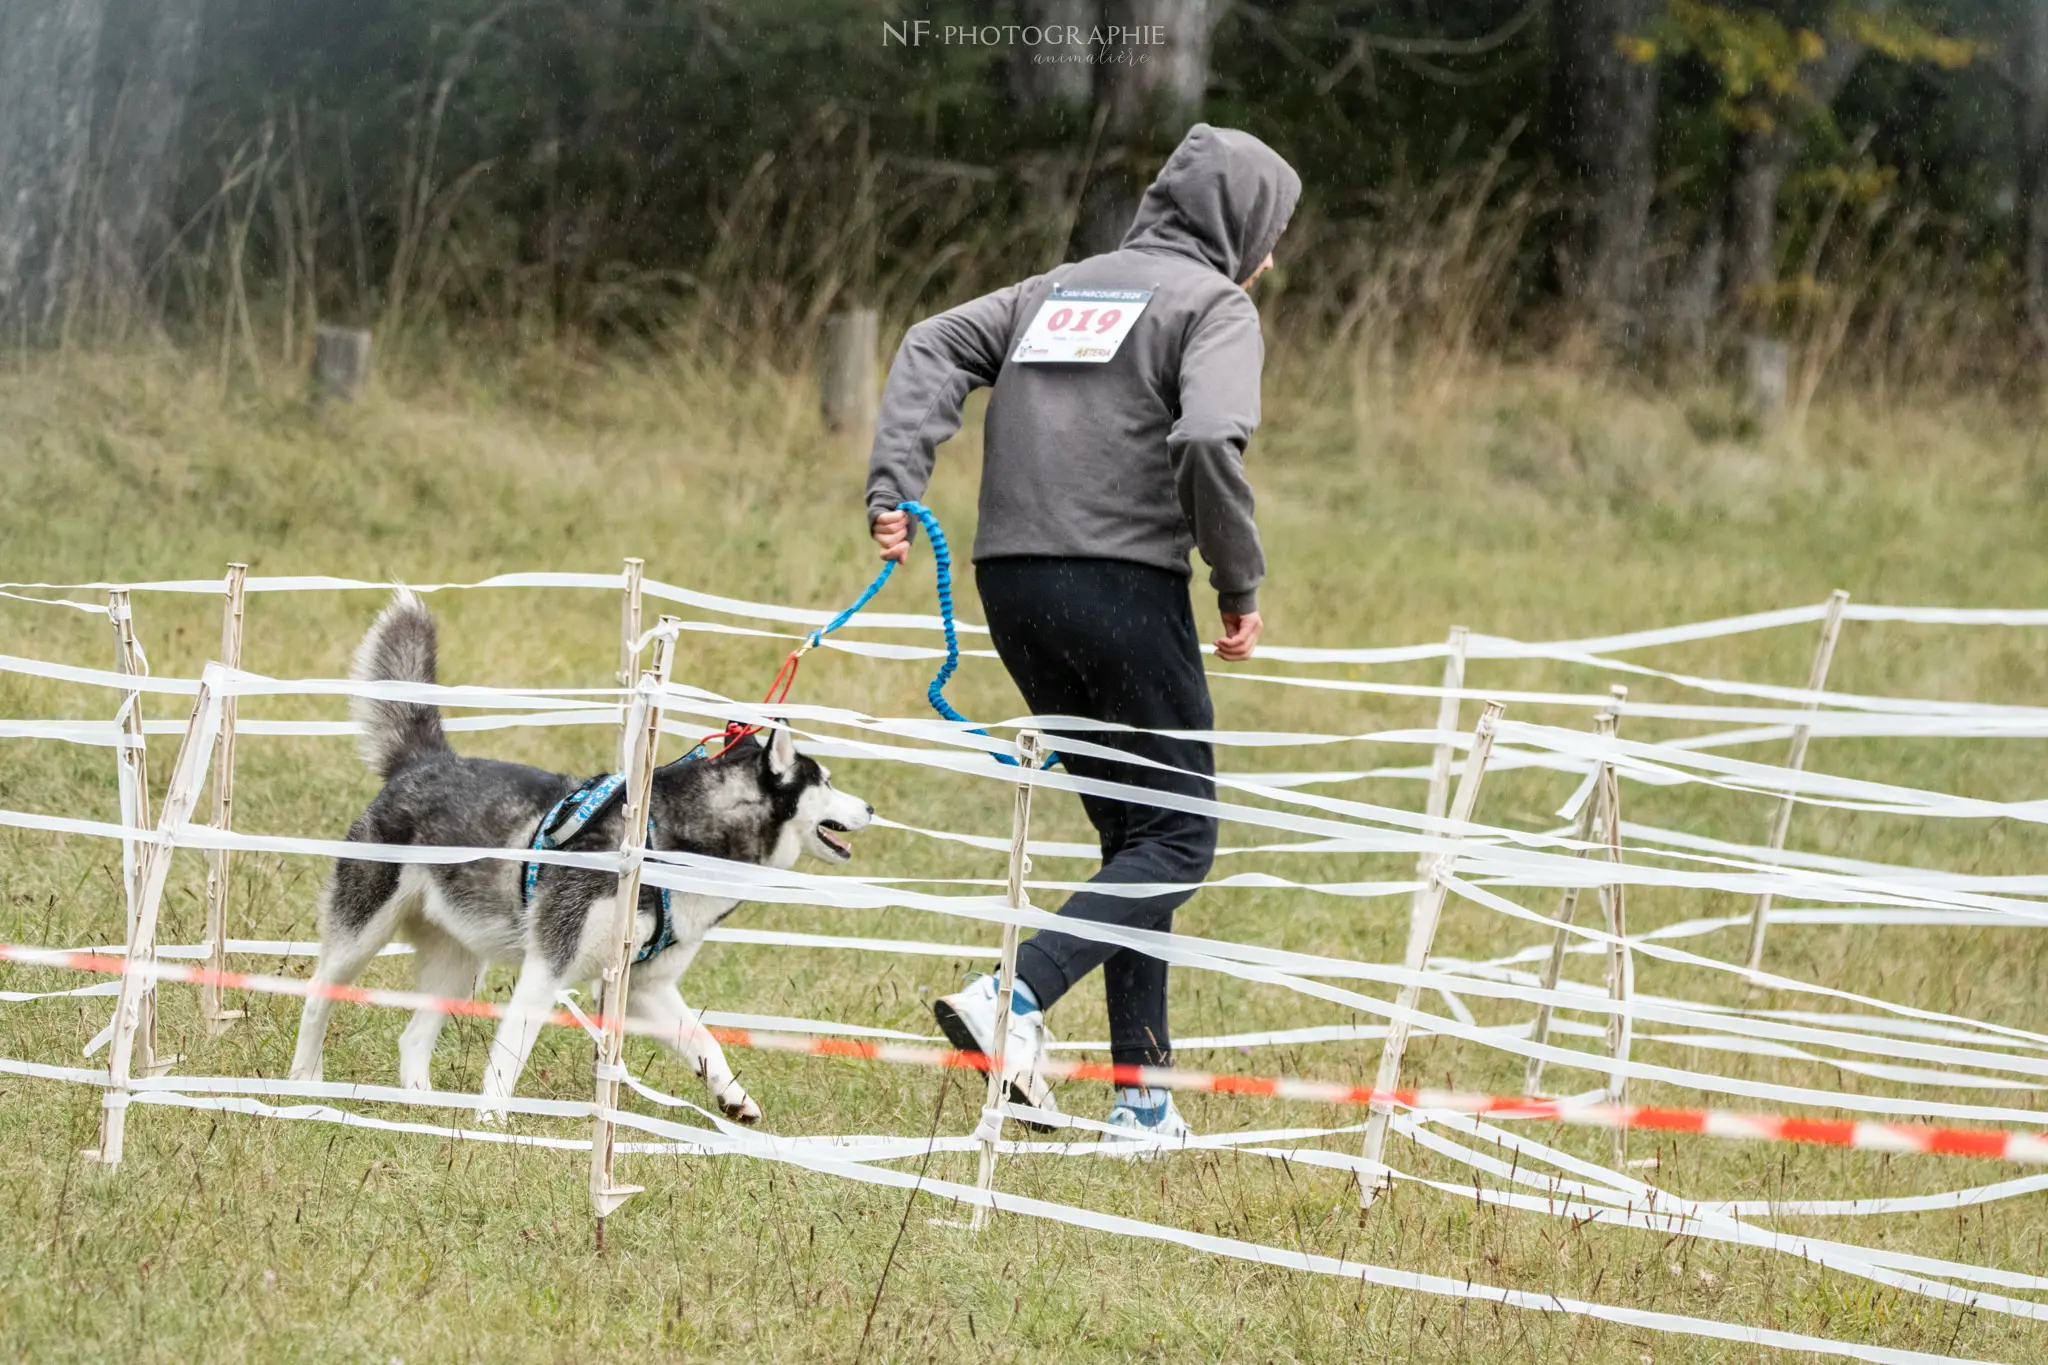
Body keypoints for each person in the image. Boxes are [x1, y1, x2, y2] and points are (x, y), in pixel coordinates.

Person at [864, 123, 1299, 1147]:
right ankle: (1010, 999)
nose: (1271, 256)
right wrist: (1236, 577)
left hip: (1010, 583)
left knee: (1134, 836)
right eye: (1270, 233)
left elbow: (931, 341)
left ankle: (1139, 1100)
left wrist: (895, 482)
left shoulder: (1053, 290)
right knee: (1180, 838)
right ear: (1237, 228)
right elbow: (1204, 435)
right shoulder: (1215, 305)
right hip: (1122, 585)